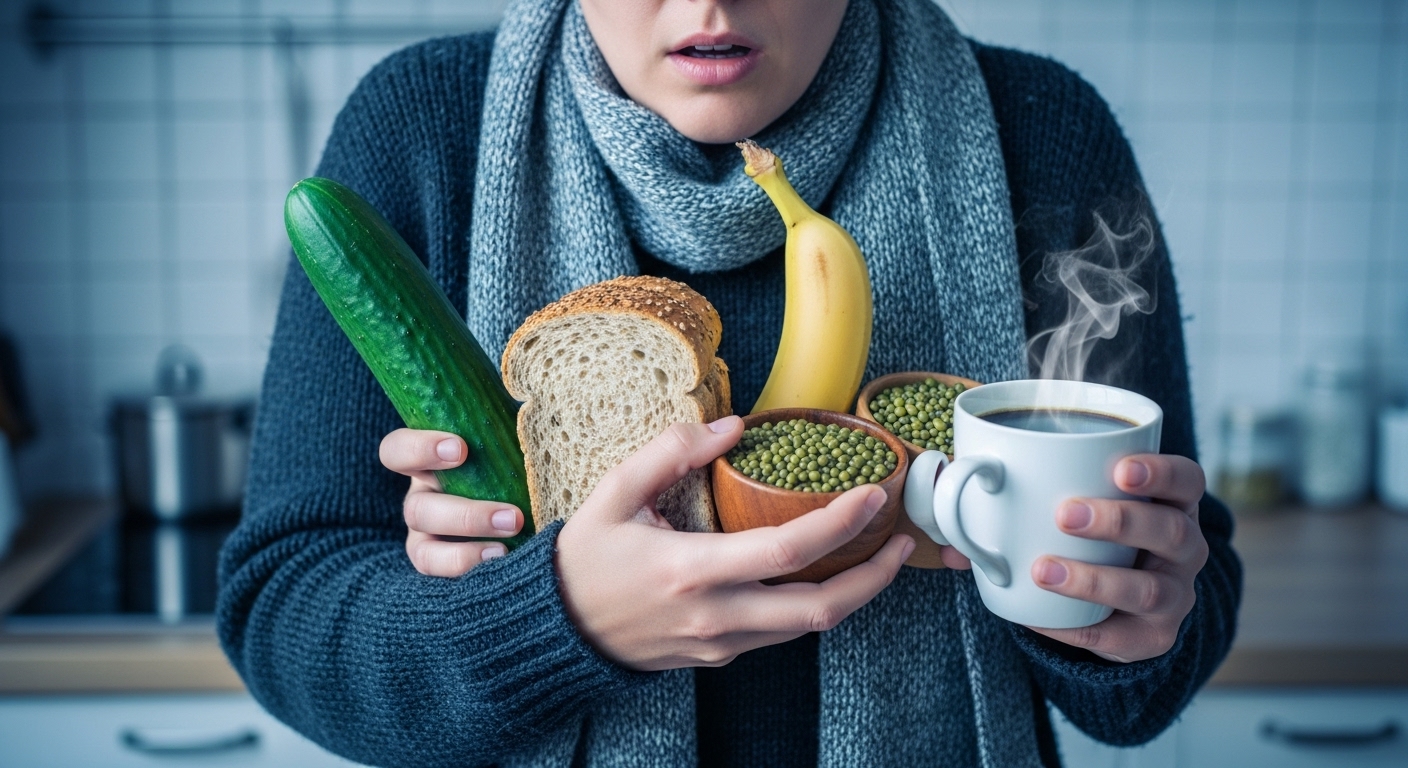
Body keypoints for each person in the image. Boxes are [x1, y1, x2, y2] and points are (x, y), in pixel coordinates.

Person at [217, 0, 1241, 766]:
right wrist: (550, 618)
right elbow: (282, 610)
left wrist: (1128, 616)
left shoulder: (1041, 130)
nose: (709, 2)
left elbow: (1148, 674)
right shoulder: (421, 130)